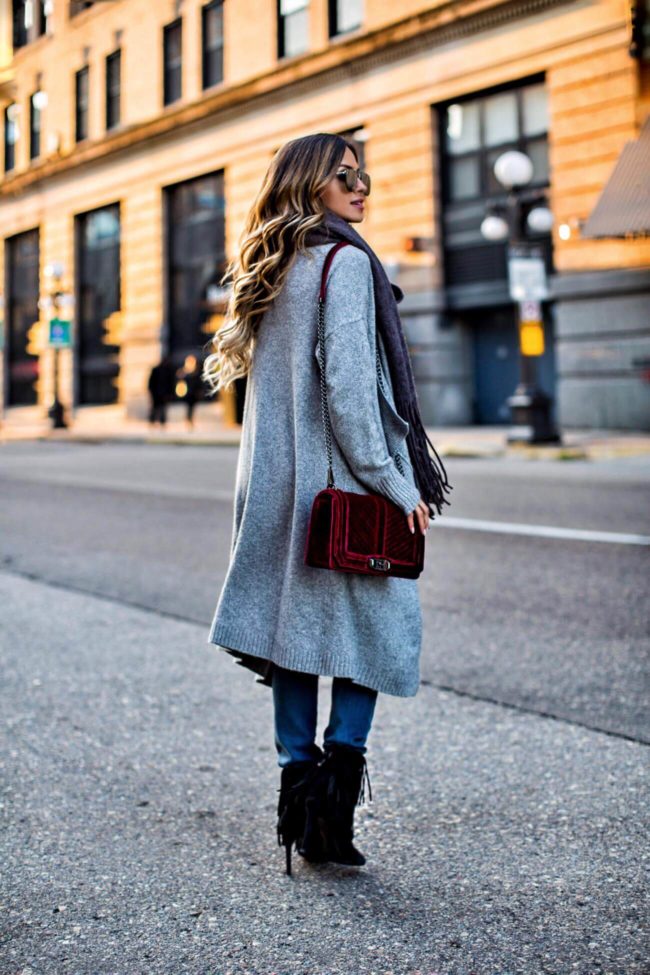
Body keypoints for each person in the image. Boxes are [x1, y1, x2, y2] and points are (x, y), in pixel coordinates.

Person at [201, 133, 452, 876]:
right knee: (371, 634)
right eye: (345, 176)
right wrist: (398, 483)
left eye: (363, 173)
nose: (361, 186)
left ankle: (297, 794)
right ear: (311, 184)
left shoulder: (274, 266)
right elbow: (349, 395)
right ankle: (330, 812)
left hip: (281, 490)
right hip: (340, 487)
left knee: (293, 642)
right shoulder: (344, 265)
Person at [175, 354, 203, 430]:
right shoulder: (184, 372)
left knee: (191, 408)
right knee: (189, 407)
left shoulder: (196, 372)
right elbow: (180, 382)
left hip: (193, 393)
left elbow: (198, 383)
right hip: (187, 393)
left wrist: (199, 391)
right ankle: (188, 420)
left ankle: (190, 420)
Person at [147, 354, 174, 426]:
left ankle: (162, 421)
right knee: (155, 408)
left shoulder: (168, 370)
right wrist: (151, 391)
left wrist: (170, 393)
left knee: (163, 408)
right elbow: (151, 382)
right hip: (156, 393)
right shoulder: (156, 370)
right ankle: (152, 421)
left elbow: (171, 383)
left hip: (164, 393)